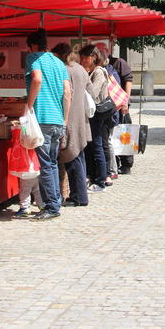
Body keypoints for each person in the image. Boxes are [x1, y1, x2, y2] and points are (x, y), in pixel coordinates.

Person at [25, 29, 71, 221]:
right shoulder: (59, 63)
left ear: (33, 46)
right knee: (51, 163)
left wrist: (28, 105)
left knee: (46, 165)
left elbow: (36, 79)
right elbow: (67, 93)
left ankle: (51, 206)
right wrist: (65, 121)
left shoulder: (34, 58)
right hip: (57, 119)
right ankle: (55, 202)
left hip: (42, 118)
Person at [53, 43, 93, 207]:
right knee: (79, 156)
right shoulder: (80, 69)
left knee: (72, 157)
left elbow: (63, 95)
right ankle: (80, 194)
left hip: (68, 118)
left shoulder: (64, 70)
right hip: (81, 119)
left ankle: (79, 197)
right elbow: (91, 91)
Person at [78, 45, 111, 192]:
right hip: (90, 113)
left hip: (97, 114)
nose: (84, 60)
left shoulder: (98, 72)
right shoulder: (90, 71)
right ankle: (92, 177)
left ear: (94, 57)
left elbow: (93, 93)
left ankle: (101, 181)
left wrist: (84, 80)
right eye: (82, 57)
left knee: (97, 146)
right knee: (91, 146)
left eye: (87, 57)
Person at [107, 50, 134, 176]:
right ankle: (116, 161)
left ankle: (126, 164)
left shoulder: (119, 62)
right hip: (112, 106)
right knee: (114, 135)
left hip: (121, 105)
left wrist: (126, 102)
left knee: (124, 133)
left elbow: (128, 80)